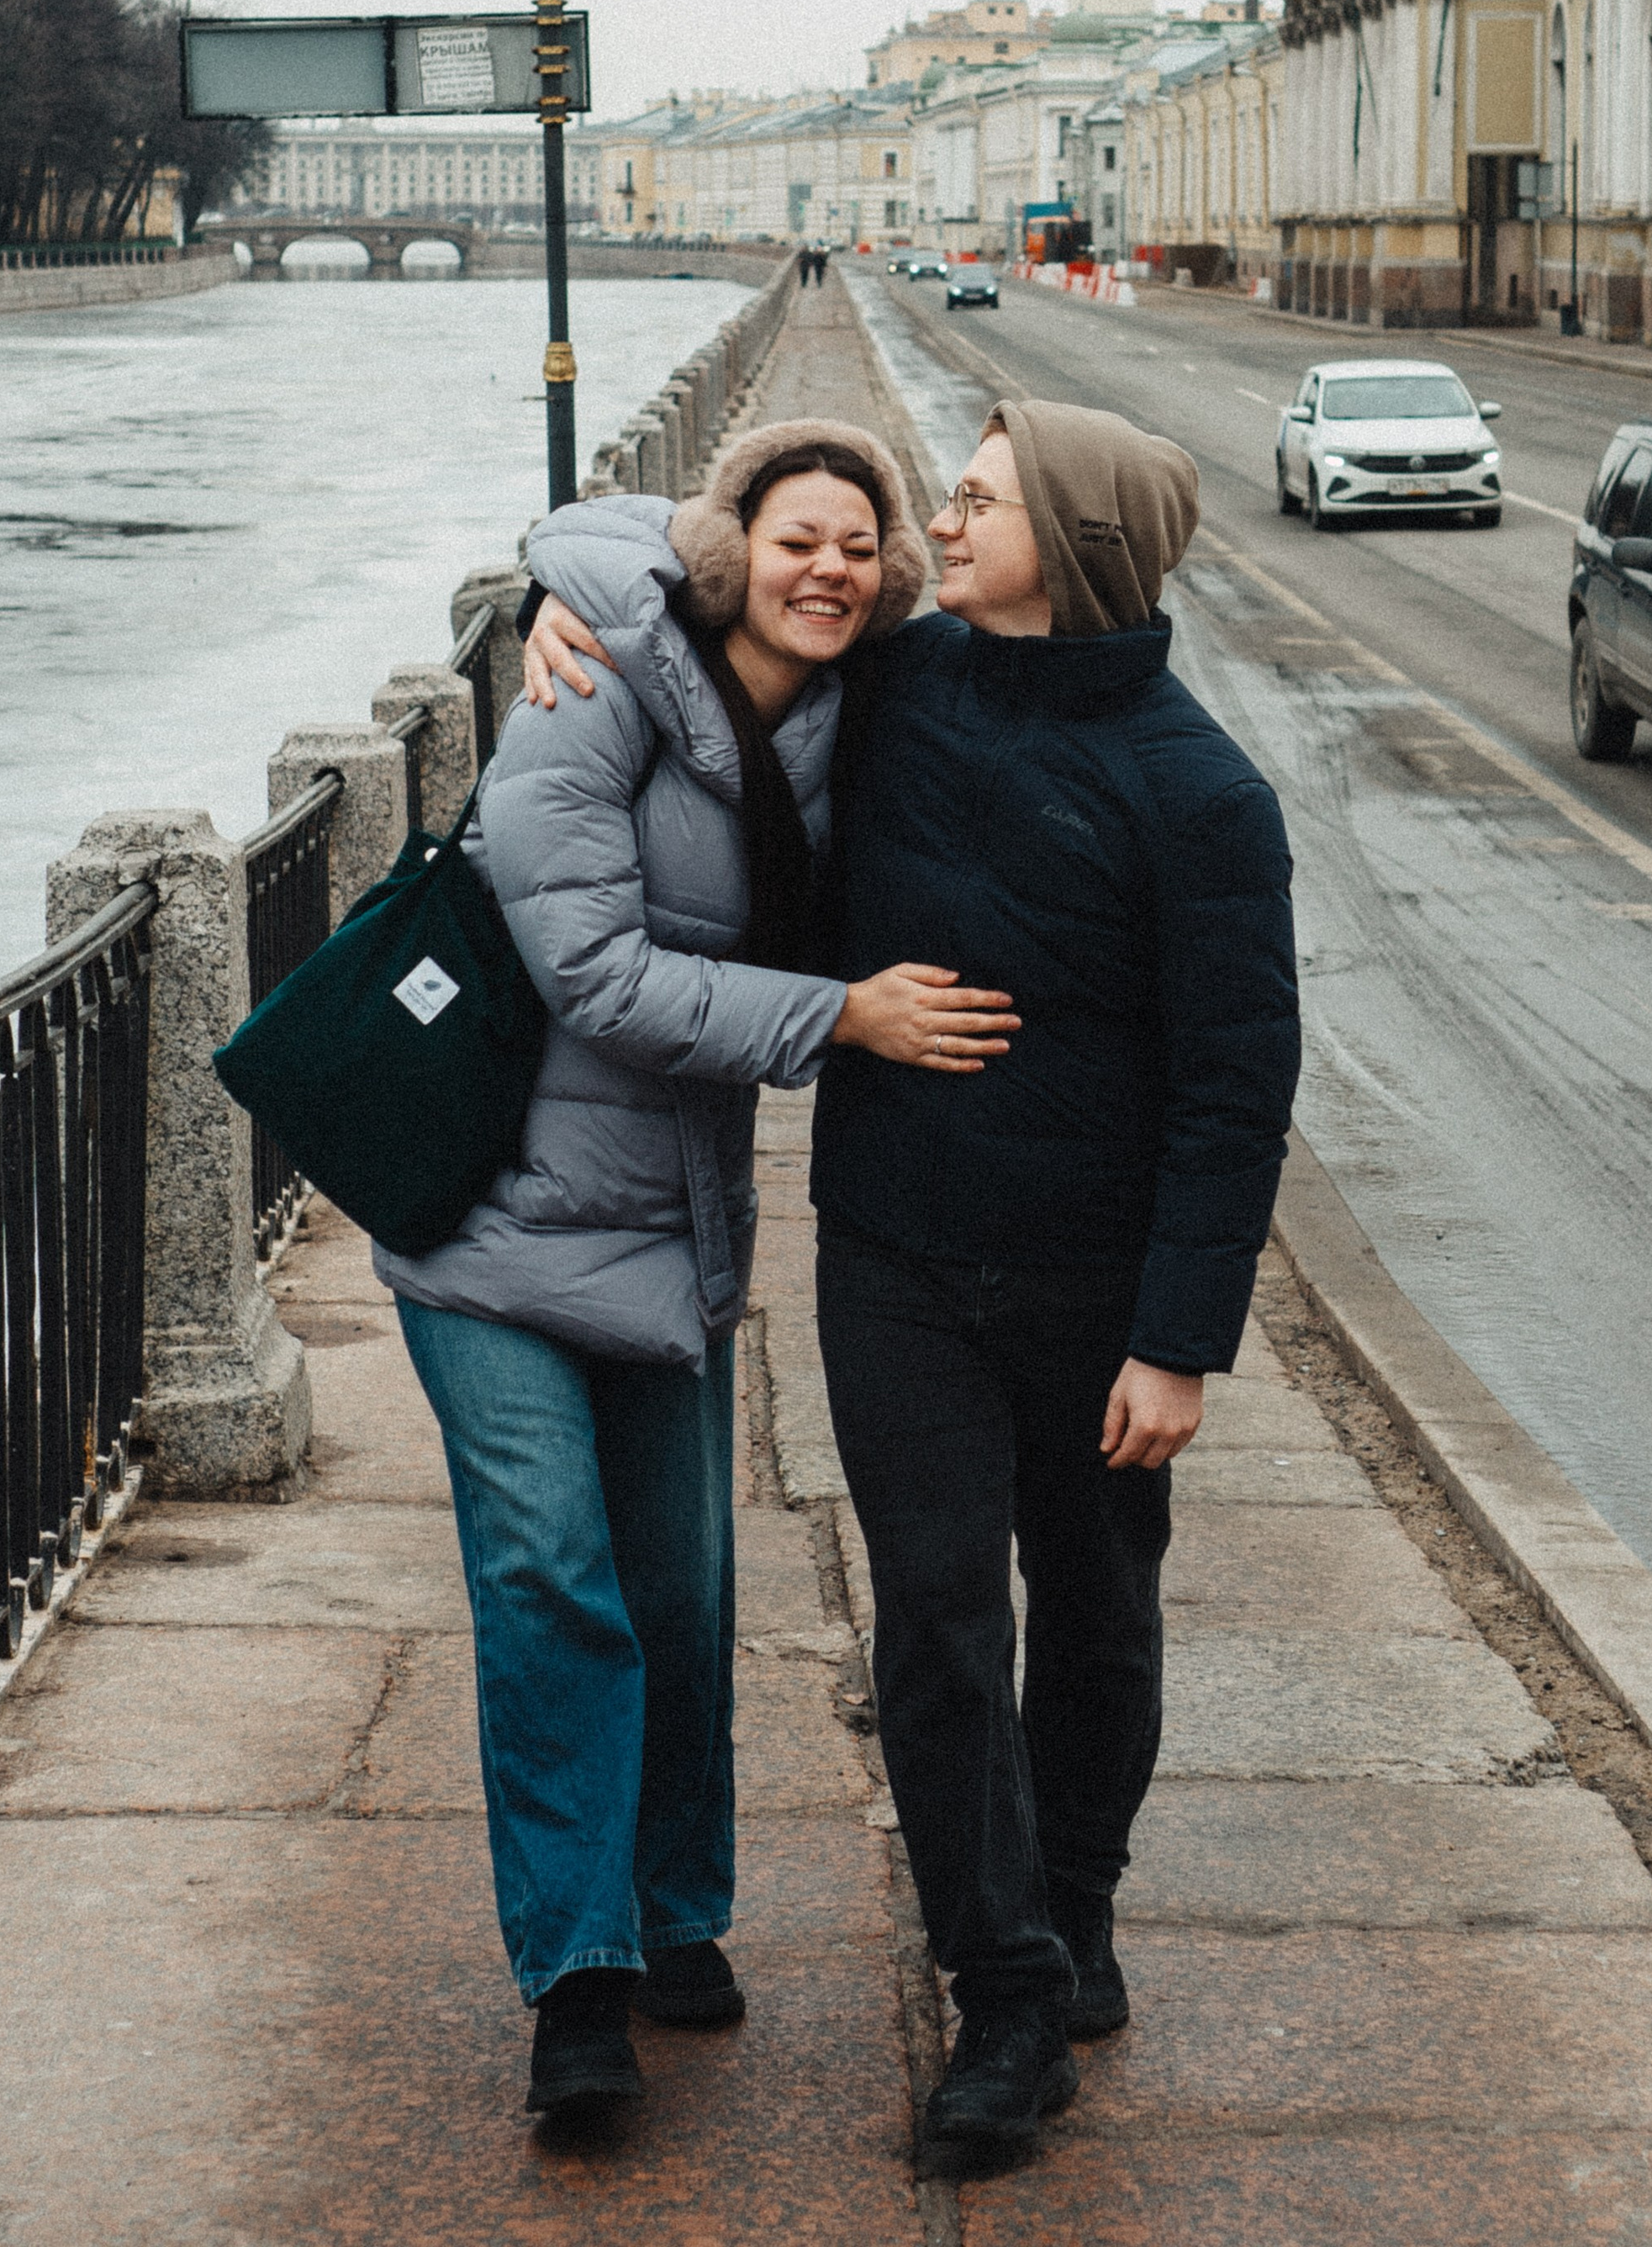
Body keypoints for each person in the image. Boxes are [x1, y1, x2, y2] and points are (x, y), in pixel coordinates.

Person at [522, 399, 1300, 2167]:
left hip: (1096, 1293)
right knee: (940, 1625)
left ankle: (1074, 1904)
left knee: (1094, 1614)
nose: (930, 525)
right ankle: (1002, 1996)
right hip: (890, 1261)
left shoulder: (1200, 798)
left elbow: (1233, 1087)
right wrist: (539, 615)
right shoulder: (897, 681)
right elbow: (673, 562)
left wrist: (1177, 1343)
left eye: (971, 501)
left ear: (1076, 546)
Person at [378, 419, 1019, 2121]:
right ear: (731, 544)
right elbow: (590, 972)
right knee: (550, 1581)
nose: (830, 568)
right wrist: (842, 1017)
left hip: (669, 1231)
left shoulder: (862, 711)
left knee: (678, 1597)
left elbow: (1034, 645)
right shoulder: (589, 688)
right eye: (796, 537)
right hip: (486, 1217)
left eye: (861, 544)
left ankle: (673, 1918)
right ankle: (576, 1984)